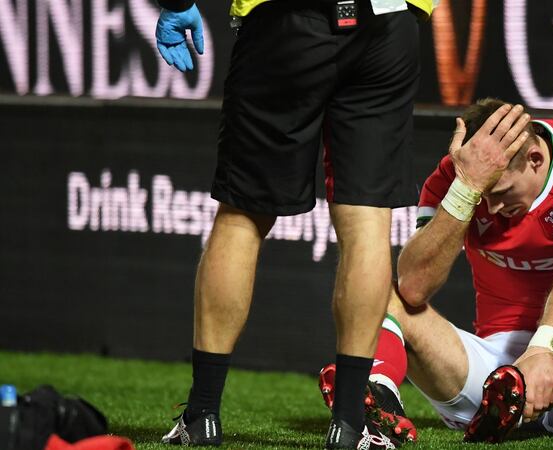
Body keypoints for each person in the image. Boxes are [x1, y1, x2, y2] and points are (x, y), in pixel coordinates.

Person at [153, 0, 436, 448]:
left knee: (243, 217)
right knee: (368, 226)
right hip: (387, 23)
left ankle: (202, 415)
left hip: (287, 20)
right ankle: (349, 426)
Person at [318, 98, 553, 443]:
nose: (492, 208)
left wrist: (544, 349)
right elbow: (414, 286)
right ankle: (380, 395)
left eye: (501, 191)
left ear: (535, 160)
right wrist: (466, 189)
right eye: (485, 195)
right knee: (381, 287)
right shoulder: (457, 175)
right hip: (492, 381)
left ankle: (523, 393)